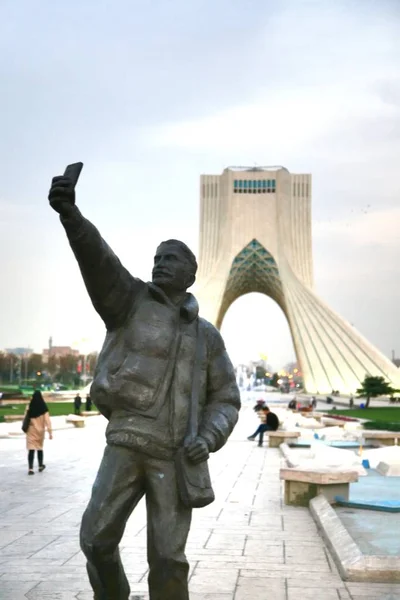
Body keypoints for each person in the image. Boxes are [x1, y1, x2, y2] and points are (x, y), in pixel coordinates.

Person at [48, 172, 241, 600]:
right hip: (127, 442)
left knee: (169, 560)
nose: (159, 263)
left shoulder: (206, 337)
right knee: (96, 540)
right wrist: (71, 217)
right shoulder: (128, 302)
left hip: (175, 457)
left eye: (170, 259)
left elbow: (226, 398)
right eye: (157, 257)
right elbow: (99, 263)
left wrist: (208, 437)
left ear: (190, 275)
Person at [25, 390, 53, 475]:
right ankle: (40, 465)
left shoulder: (29, 407)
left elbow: (25, 419)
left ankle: (30, 468)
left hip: (31, 430)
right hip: (40, 431)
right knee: (39, 448)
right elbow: (48, 421)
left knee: (31, 449)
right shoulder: (44, 408)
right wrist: (50, 432)